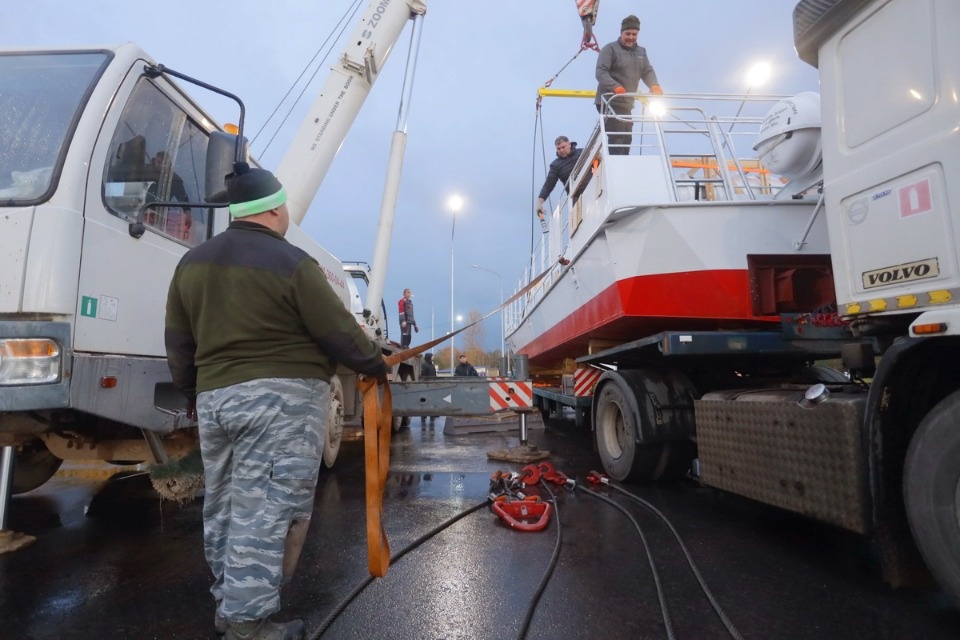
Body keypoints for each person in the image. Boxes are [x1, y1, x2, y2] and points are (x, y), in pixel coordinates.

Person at [164, 165, 387, 640]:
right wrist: (375, 362)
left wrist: (194, 393)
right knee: (267, 510)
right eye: (284, 206)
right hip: (281, 404)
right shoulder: (292, 263)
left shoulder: (191, 264)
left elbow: (179, 343)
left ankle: (229, 607)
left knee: (225, 506)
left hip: (216, 400)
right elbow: (338, 332)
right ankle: (249, 626)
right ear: (272, 209)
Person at [595, 14, 663, 155]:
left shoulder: (641, 52)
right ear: (621, 33)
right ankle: (617, 164)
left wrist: (654, 85)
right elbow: (601, 72)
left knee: (627, 137)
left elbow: (647, 71)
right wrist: (614, 87)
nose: (631, 37)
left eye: (634, 34)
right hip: (609, 101)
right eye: (628, 34)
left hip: (626, 103)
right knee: (618, 136)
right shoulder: (610, 49)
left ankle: (624, 162)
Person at [536, 136, 583, 215]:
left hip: (592, 186)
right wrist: (539, 204)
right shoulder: (555, 165)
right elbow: (548, 185)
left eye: (563, 147)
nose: (561, 150)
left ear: (569, 144)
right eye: (558, 149)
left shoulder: (582, 152)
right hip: (576, 197)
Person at [419, 353, 438, 424]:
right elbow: (423, 374)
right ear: (429, 357)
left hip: (432, 384)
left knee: (432, 399)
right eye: (432, 356)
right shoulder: (425, 365)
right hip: (427, 385)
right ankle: (424, 415)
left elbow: (434, 375)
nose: (433, 357)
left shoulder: (432, 365)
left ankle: (432, 414)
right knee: (425, 400)